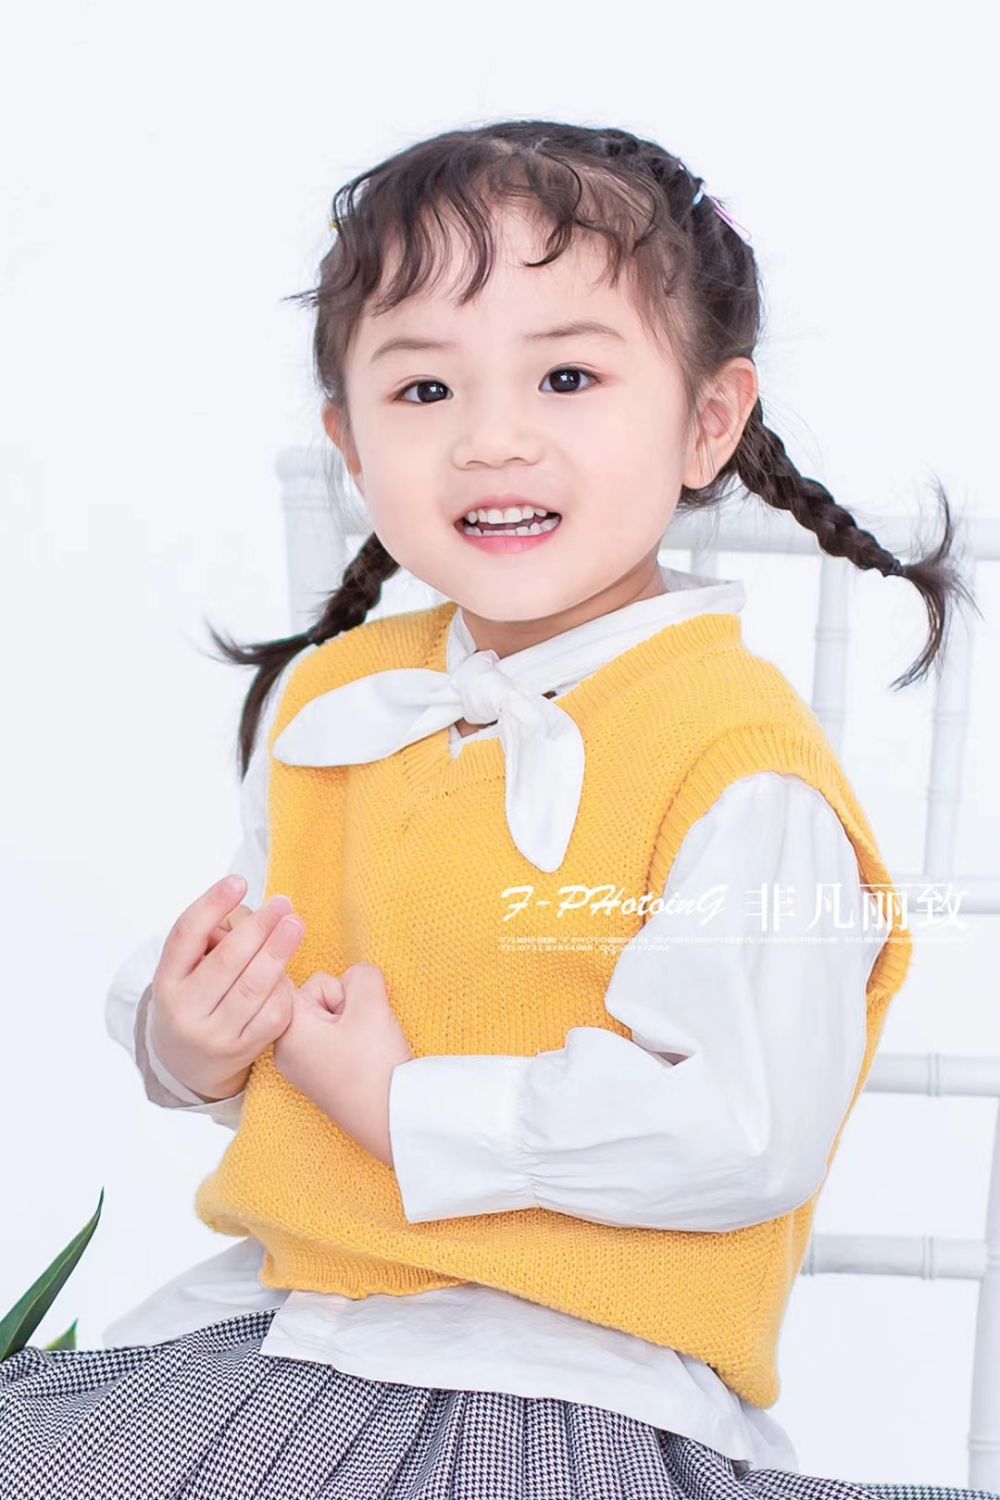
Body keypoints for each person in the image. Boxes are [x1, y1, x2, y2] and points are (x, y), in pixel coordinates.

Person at [1, 119, 991, 1500]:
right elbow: (279, 991)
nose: (492, 439)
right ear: (351, 444)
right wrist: (192, 1039)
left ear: (707, 422)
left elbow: (742, 1126)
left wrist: (412, 1106)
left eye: (567, 376)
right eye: (423, 390)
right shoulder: (340, 701)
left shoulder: (738, 760)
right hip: (287, 1342)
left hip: (560, 1391)